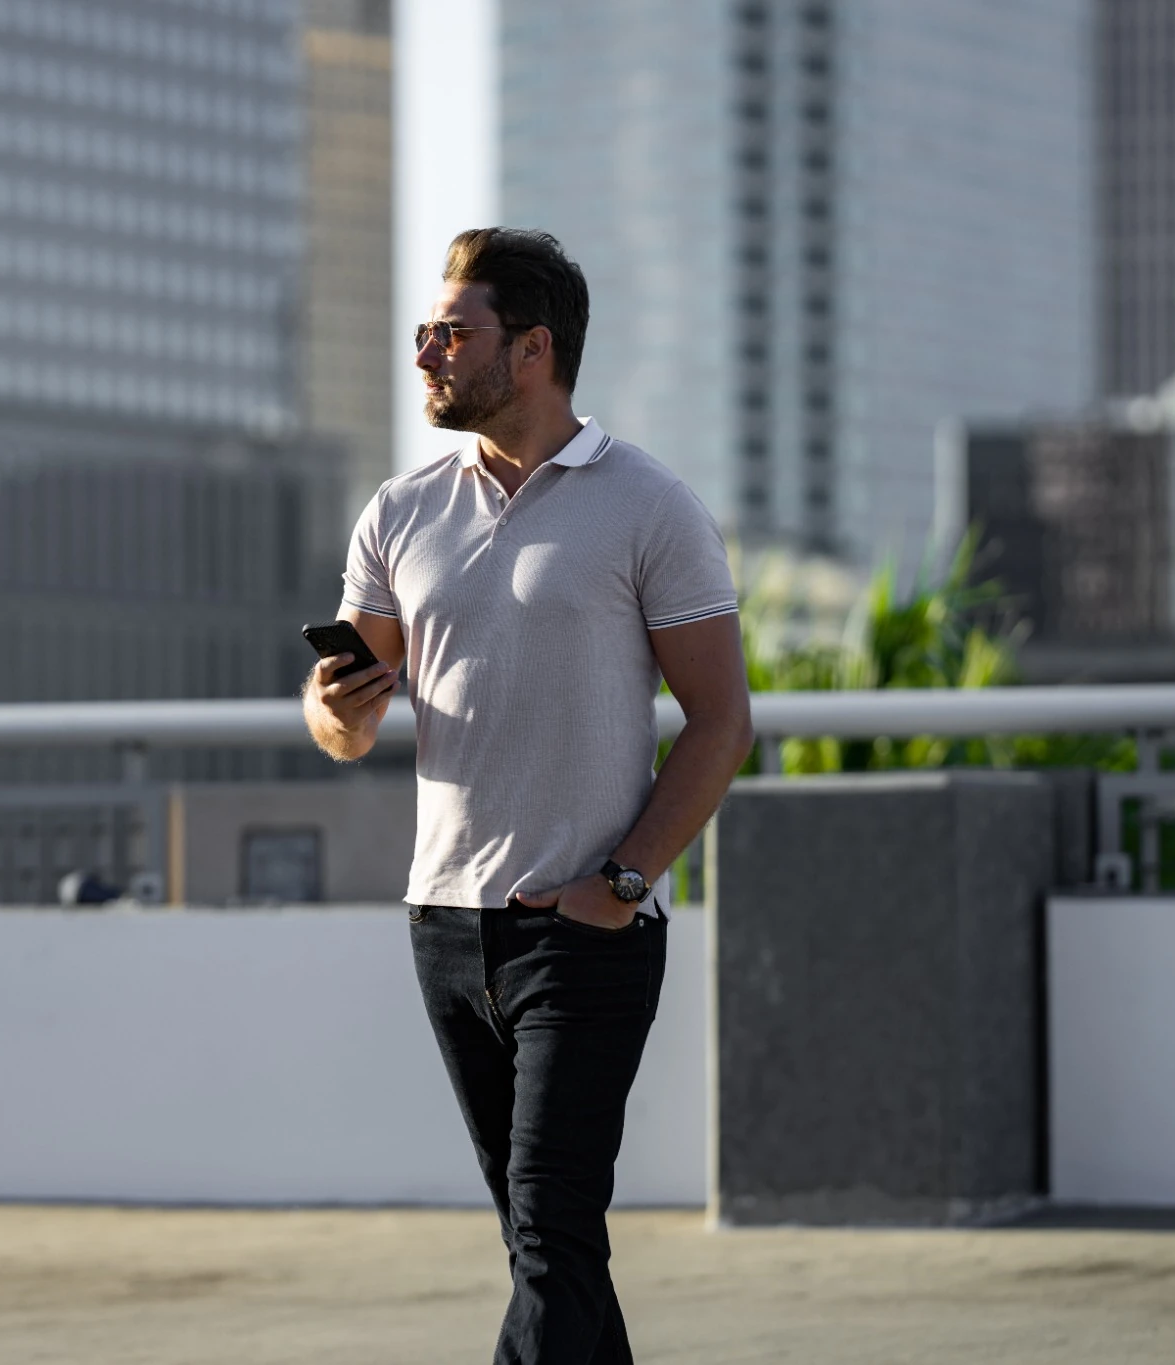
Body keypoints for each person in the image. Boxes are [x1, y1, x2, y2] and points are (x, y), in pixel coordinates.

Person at [302, 228, 754, 1364]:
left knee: (549, 1234)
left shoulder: (648, 505)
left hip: (583, 926)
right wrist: (340, 706)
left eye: (450, 333)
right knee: (544, 1245)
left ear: (535, 348)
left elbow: (720, 722)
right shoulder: (398, 512)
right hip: (444, 924)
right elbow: (339, 725)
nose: (425, 354)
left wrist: (620, 882)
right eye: (423, 333)